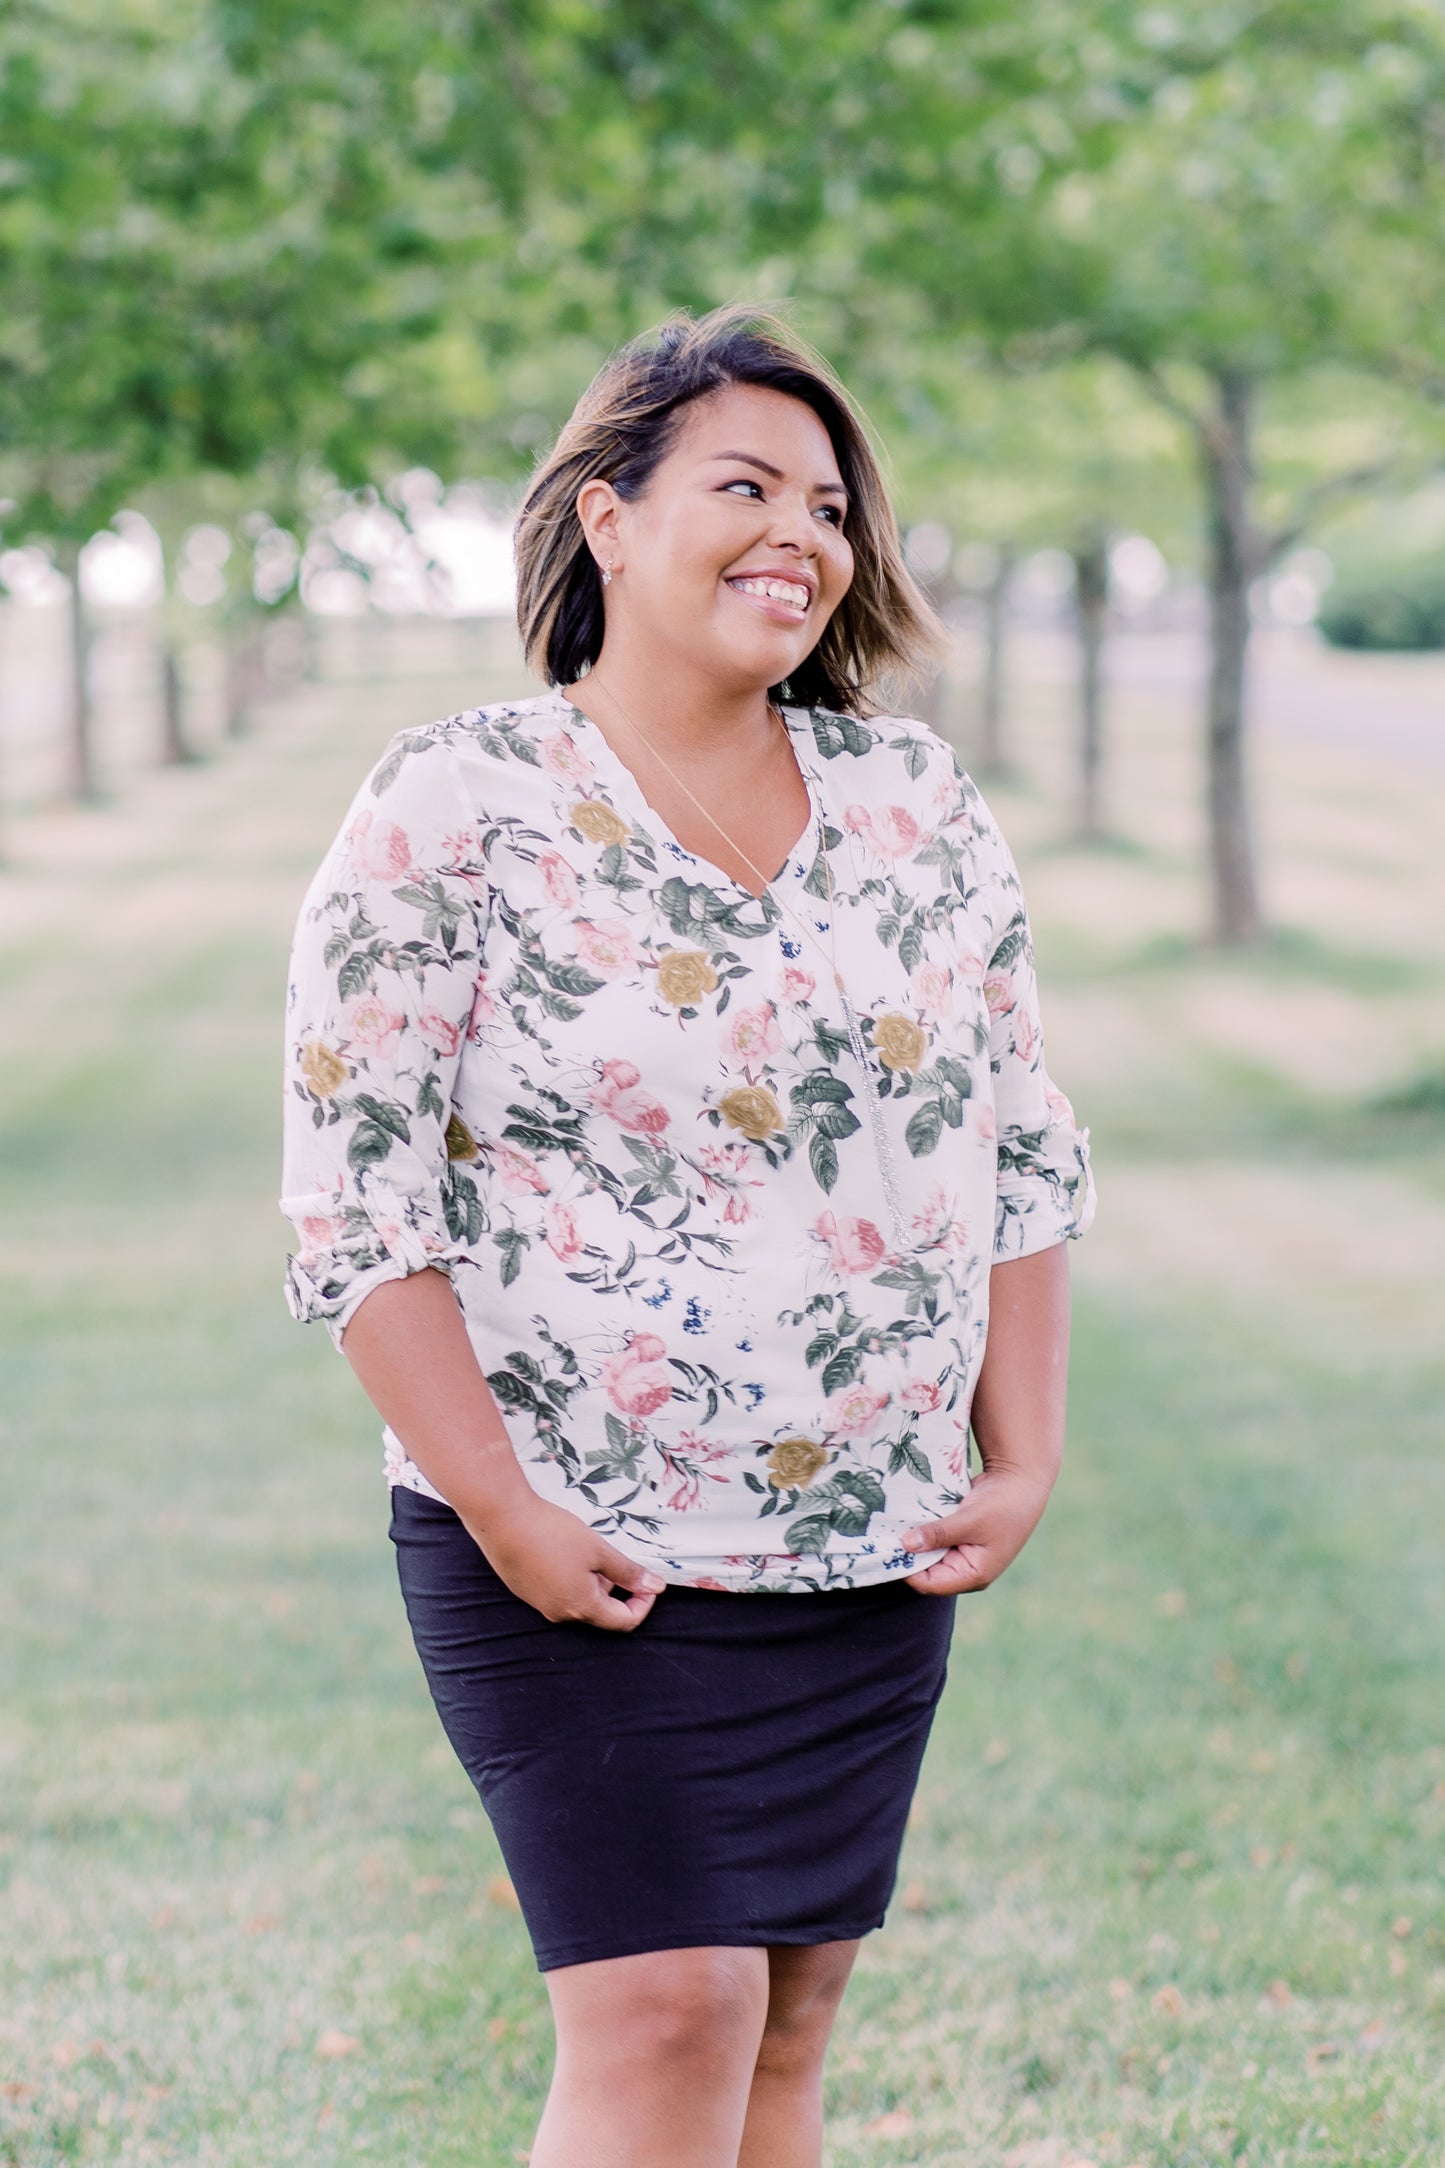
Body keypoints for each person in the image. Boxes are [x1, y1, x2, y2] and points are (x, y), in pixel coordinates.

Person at [280, 305, 1095, 2168]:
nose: (797, 535)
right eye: (742, 487)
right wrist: (501, 1507)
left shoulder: (915, 805)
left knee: (789, 2019)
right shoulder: (456, 803)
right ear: (606, 521)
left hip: (861, 1539)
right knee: (669, 2007)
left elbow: (1019, 1149)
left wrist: (1023, 1444)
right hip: (574, 1538)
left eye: (827, 503)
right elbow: (355, 1199)